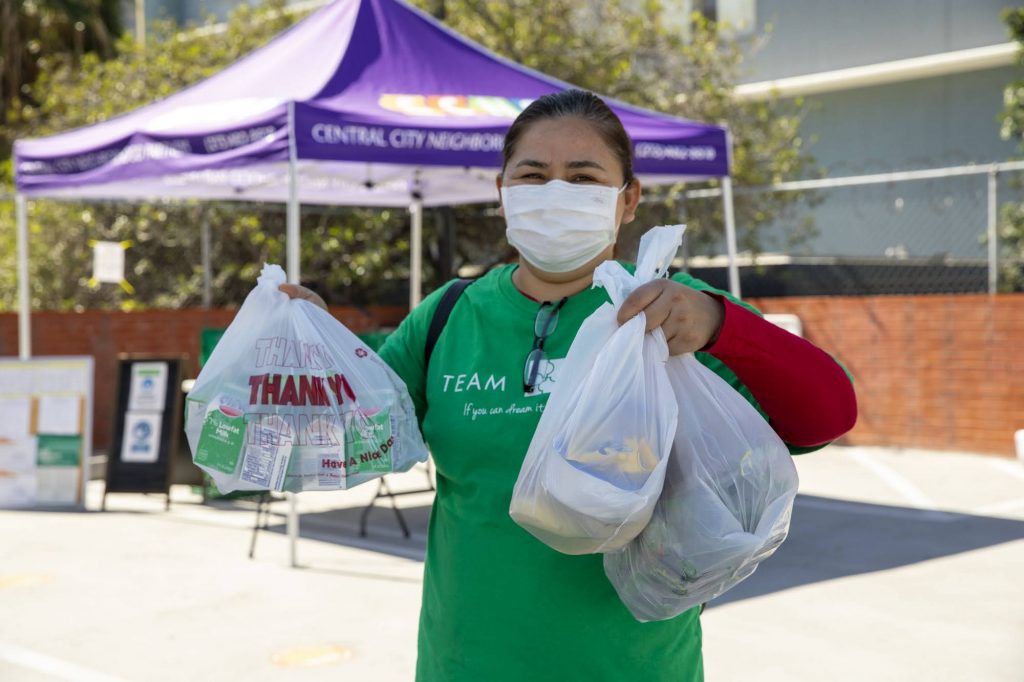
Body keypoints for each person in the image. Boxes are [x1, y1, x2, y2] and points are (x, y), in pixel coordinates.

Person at [281, 89, 857, 682]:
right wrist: (318, 347)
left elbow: (828, 415)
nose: (555, 193)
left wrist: (721, 326)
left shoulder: (671, 312)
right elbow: (350, 435)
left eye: (583, 178)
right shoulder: (449, 315)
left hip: (632, 667)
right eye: (533, 175)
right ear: (502, 195)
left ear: (627, 200)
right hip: (464, 664)